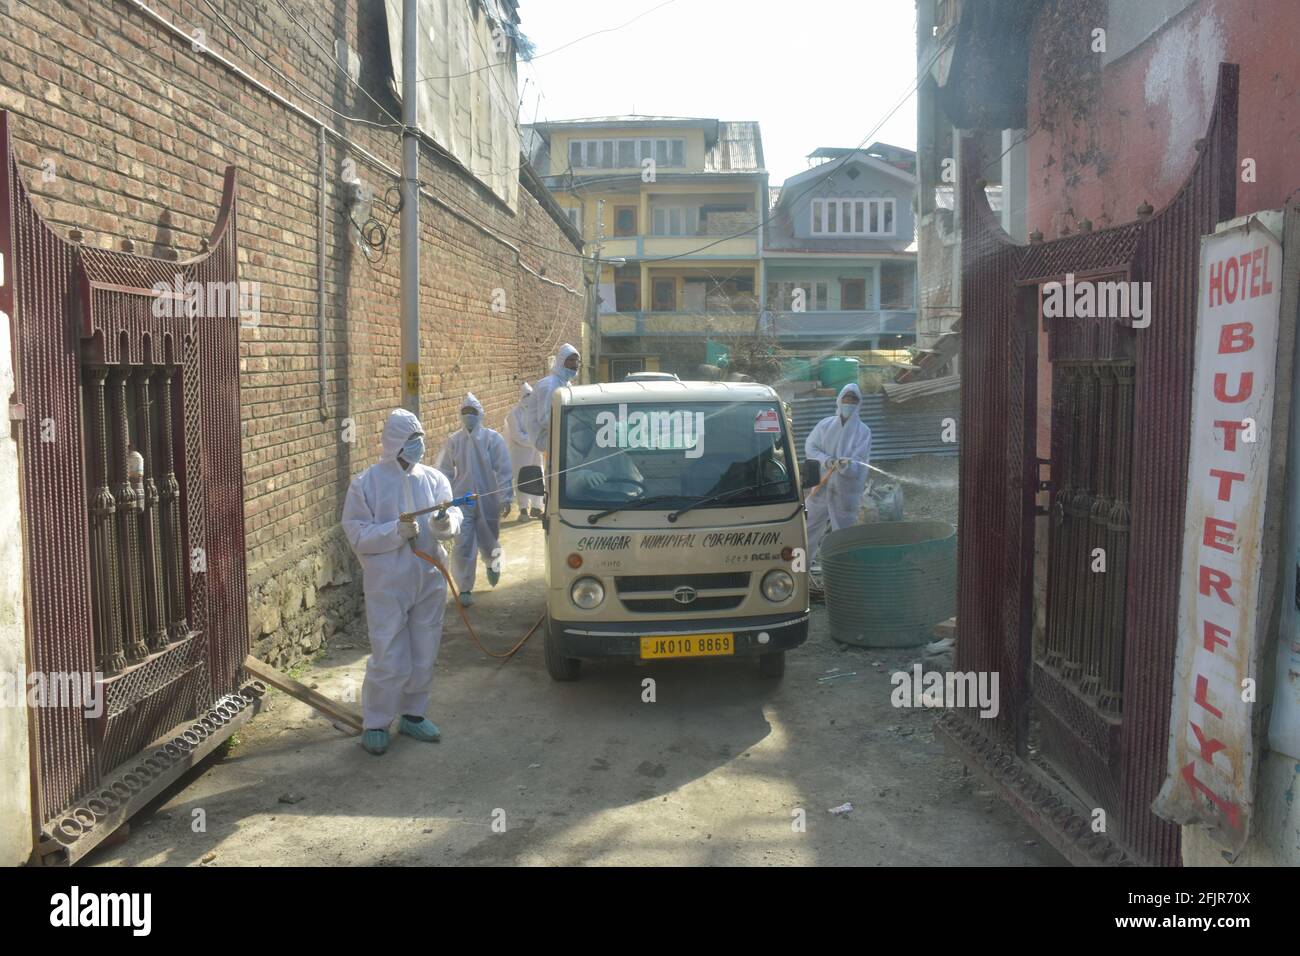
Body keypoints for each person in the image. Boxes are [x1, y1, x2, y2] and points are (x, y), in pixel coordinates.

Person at [342, 408, 463, 756]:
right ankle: (377, 721)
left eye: (421, 438)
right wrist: (394, 532)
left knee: (425, 649)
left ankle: (413, 714)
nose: (419, 445)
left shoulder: (435, 479)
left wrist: (443, 524)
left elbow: (452, 516)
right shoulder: (367, 483)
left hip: (428, 577)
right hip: (388, 583)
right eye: (412, 440)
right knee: (388, 653)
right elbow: (357, 533)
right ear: (395, 442)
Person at [435, 393, 513, 607]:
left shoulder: (492, 439)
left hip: (489, 498)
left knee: (489, 538)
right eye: (465, 412)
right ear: (461, 416)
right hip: (462, 501)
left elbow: (503, 468)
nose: (469, 416)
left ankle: (492, 563)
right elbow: (444, 471)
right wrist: (445, 498)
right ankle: (465, 587)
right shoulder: (454, 441)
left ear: (480, 414)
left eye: (472, 412)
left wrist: (506, 496)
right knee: (463, 544)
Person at [804, 383, 872, 570]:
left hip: (845, 493)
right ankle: (799, 570)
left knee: (843, 534)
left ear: (859, 404)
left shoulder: (863, 431)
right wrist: (826, 461)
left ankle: (843, 573)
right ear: (839, 400)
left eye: (853, 400)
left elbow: (859, 461)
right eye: (846, 399)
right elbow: (811, 447)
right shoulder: (825, 425)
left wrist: (846, 465)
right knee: (807, 528)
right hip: (820, 488)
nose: (849, 403)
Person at [564, 417, 643, 496]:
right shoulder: (564, 454)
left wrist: (622, 497)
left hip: (610, 502)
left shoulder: (612, 453)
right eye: (576, 432)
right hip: (575, 503)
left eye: (584, 432)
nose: (581, 436)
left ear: (592, 434)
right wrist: (582, 476)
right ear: (571, 437)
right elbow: (559, 483)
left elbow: (634, 482)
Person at [528, 343, 580, 457]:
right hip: (543, 437)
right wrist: (571, 427)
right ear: (561, 361)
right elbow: (545, 419)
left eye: (577, 361)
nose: (575, 364)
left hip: (558, 432)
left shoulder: (566, 383)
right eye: (571, 360)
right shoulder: (549, 385)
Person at [503, 382, 544, 519]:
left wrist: (537, 440)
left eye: (531, 395)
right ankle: (523, 509)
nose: (529, 398)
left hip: (536, 451)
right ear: (521, 397)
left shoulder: (537, 411)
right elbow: (517, 435)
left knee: (539, 476)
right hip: (520, 453)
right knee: (522, 479)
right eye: (526, 395)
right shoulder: (513, 414)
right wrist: (534, 440)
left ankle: (537, 507)